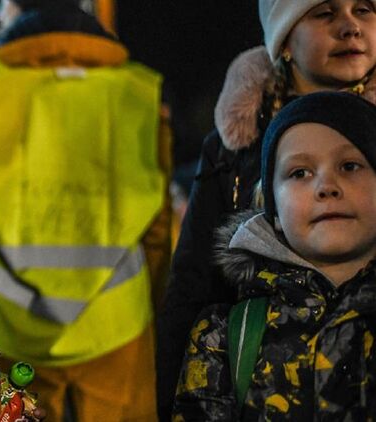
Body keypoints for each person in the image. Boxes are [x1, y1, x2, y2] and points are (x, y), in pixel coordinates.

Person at [0, 0, 172, 420]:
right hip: (116, 322)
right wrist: (153, 302)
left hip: (4, 320)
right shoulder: (138, 90)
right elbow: (158, 229)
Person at [157, 1, 376, 418]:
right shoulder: (234, 147)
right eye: (324, 13)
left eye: (363, 9)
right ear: (284, 40)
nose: (349, 27)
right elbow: (194, 283)